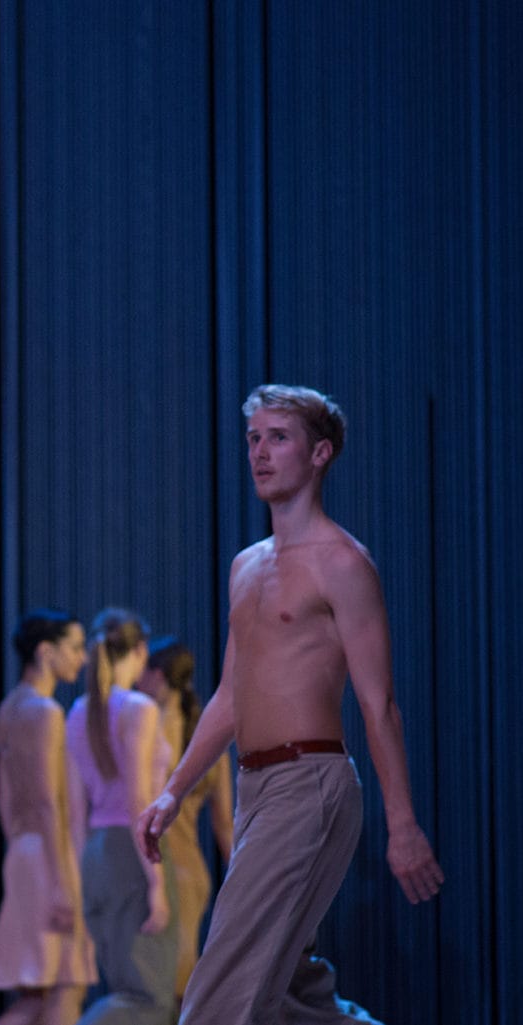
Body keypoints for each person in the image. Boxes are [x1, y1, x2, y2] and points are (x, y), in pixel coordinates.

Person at [135, 385, 444, 1025]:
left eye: (278, 438)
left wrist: (403, 825)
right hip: (256, 788)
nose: (260, 453)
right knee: (289, 997)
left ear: (320, 454)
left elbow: (378, 701)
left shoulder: (343, 563)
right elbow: (229, 694)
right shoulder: (246, 566)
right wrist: (173, 792)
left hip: (312, 784)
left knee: (218, 998)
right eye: (253, 439)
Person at [0, 609, 96, 1025]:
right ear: (46, 652)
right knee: (65, 985)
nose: (82, 659)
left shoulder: (10, 708)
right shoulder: (45, 712)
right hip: (48, 857)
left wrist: (20, 854)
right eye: (76, 648)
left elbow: (4, 798)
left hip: (26, 852)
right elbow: (47, 801)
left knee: (40, 990)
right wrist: (63, 883)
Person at [66, 609, 177, 1025]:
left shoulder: (78, 711)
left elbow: (77, 814)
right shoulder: (138, 708)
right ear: (139, 650)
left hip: (97, 854)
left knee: (133, 991)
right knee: (148, 998)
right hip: (133, 852)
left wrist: (82, 881)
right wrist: (156, 882)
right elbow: (138, 801)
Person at [133, 637, 232, 1003]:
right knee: (176, 987)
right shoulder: (206, 739)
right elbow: (224, 824)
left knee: (161, 989)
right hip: (189, 871)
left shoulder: (140, 733)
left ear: (157, 676)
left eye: (141, 674)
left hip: (150, 868)